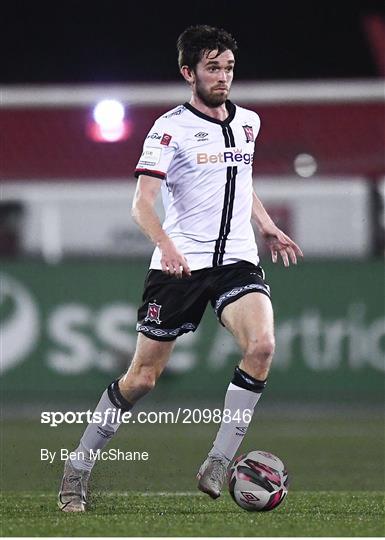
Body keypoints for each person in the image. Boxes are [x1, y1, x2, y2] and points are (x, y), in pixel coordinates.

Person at [58, 24, 303, 512]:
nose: (223, 77)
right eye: (212, 68)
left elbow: (240, 178)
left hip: (237, 260)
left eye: (228, 67)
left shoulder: (248, 122)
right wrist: (166, 244)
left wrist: (267, 225)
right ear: (188, 72)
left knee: (263, 346)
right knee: (142, 379)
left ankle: (218, 460)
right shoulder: (169, 128)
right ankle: (77, 470)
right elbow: (141, 203)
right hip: (181, 265)